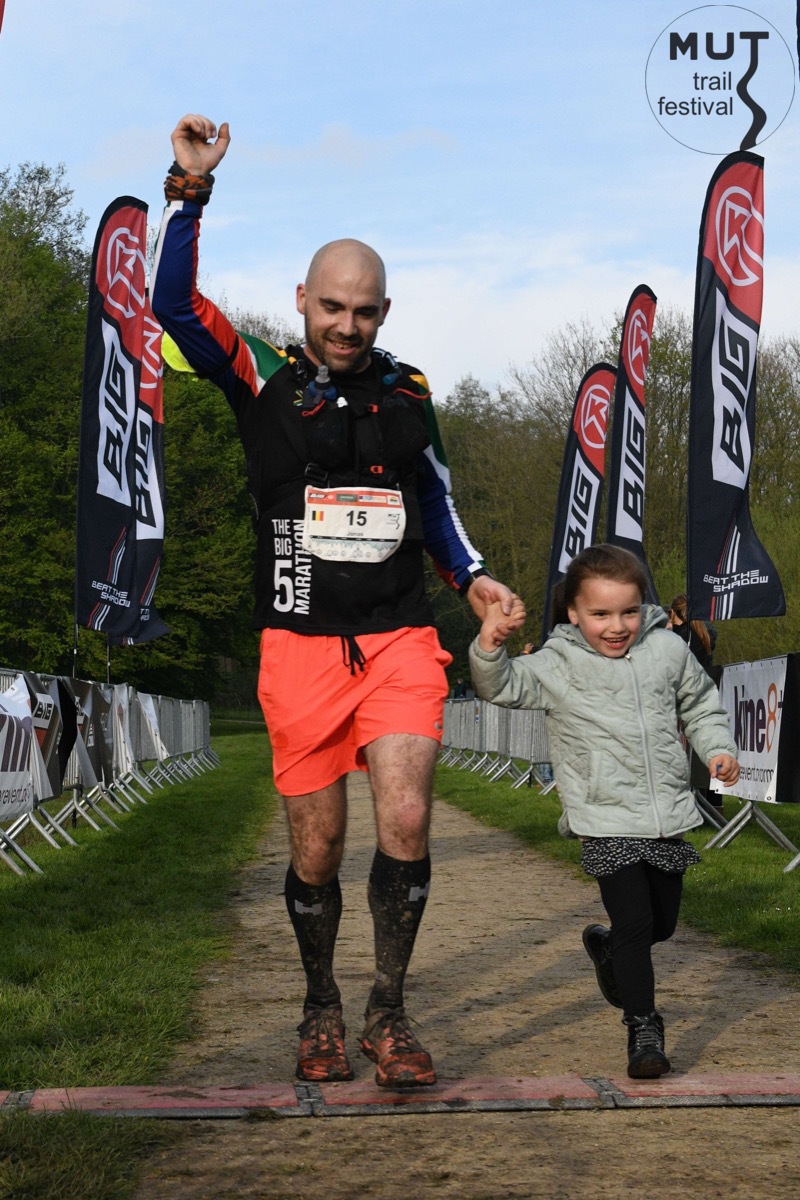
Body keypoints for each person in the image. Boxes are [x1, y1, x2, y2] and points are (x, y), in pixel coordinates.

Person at [152, 114, 522, 1090]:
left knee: (406, 813)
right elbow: (173, 306)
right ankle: (320, 1004)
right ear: (301, 301)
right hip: (299, 645)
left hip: (398, 637)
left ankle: (387, 1013)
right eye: (330, 307)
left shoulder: (410, 393)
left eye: (362, 311)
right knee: (316, 849)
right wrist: (189, 191)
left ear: (384, 311)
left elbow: (434, 502)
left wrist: (472, 578)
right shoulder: (261, 375)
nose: (346, 326)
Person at [468, 544, 739, 1079]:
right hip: (604, 814)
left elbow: (700, 704)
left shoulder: (666, 649)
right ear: (573, 612)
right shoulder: (558, 662)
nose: (617, 626)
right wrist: (490, 644)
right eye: (600, 614)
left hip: (665, 814)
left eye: (629, 612)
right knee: (636, 923)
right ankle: (644, 1029)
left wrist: (717, 750)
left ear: (644, 607)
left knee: (661, 924)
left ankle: (609, 949)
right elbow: (500, 686)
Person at [667, 593, 721, 813]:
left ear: (673, 613)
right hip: (705, 698)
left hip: (686, 700)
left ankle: (692, 805)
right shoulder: (703, 634)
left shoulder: (679, 638)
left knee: (687, 755)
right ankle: (713, 805)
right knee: (706, 751)